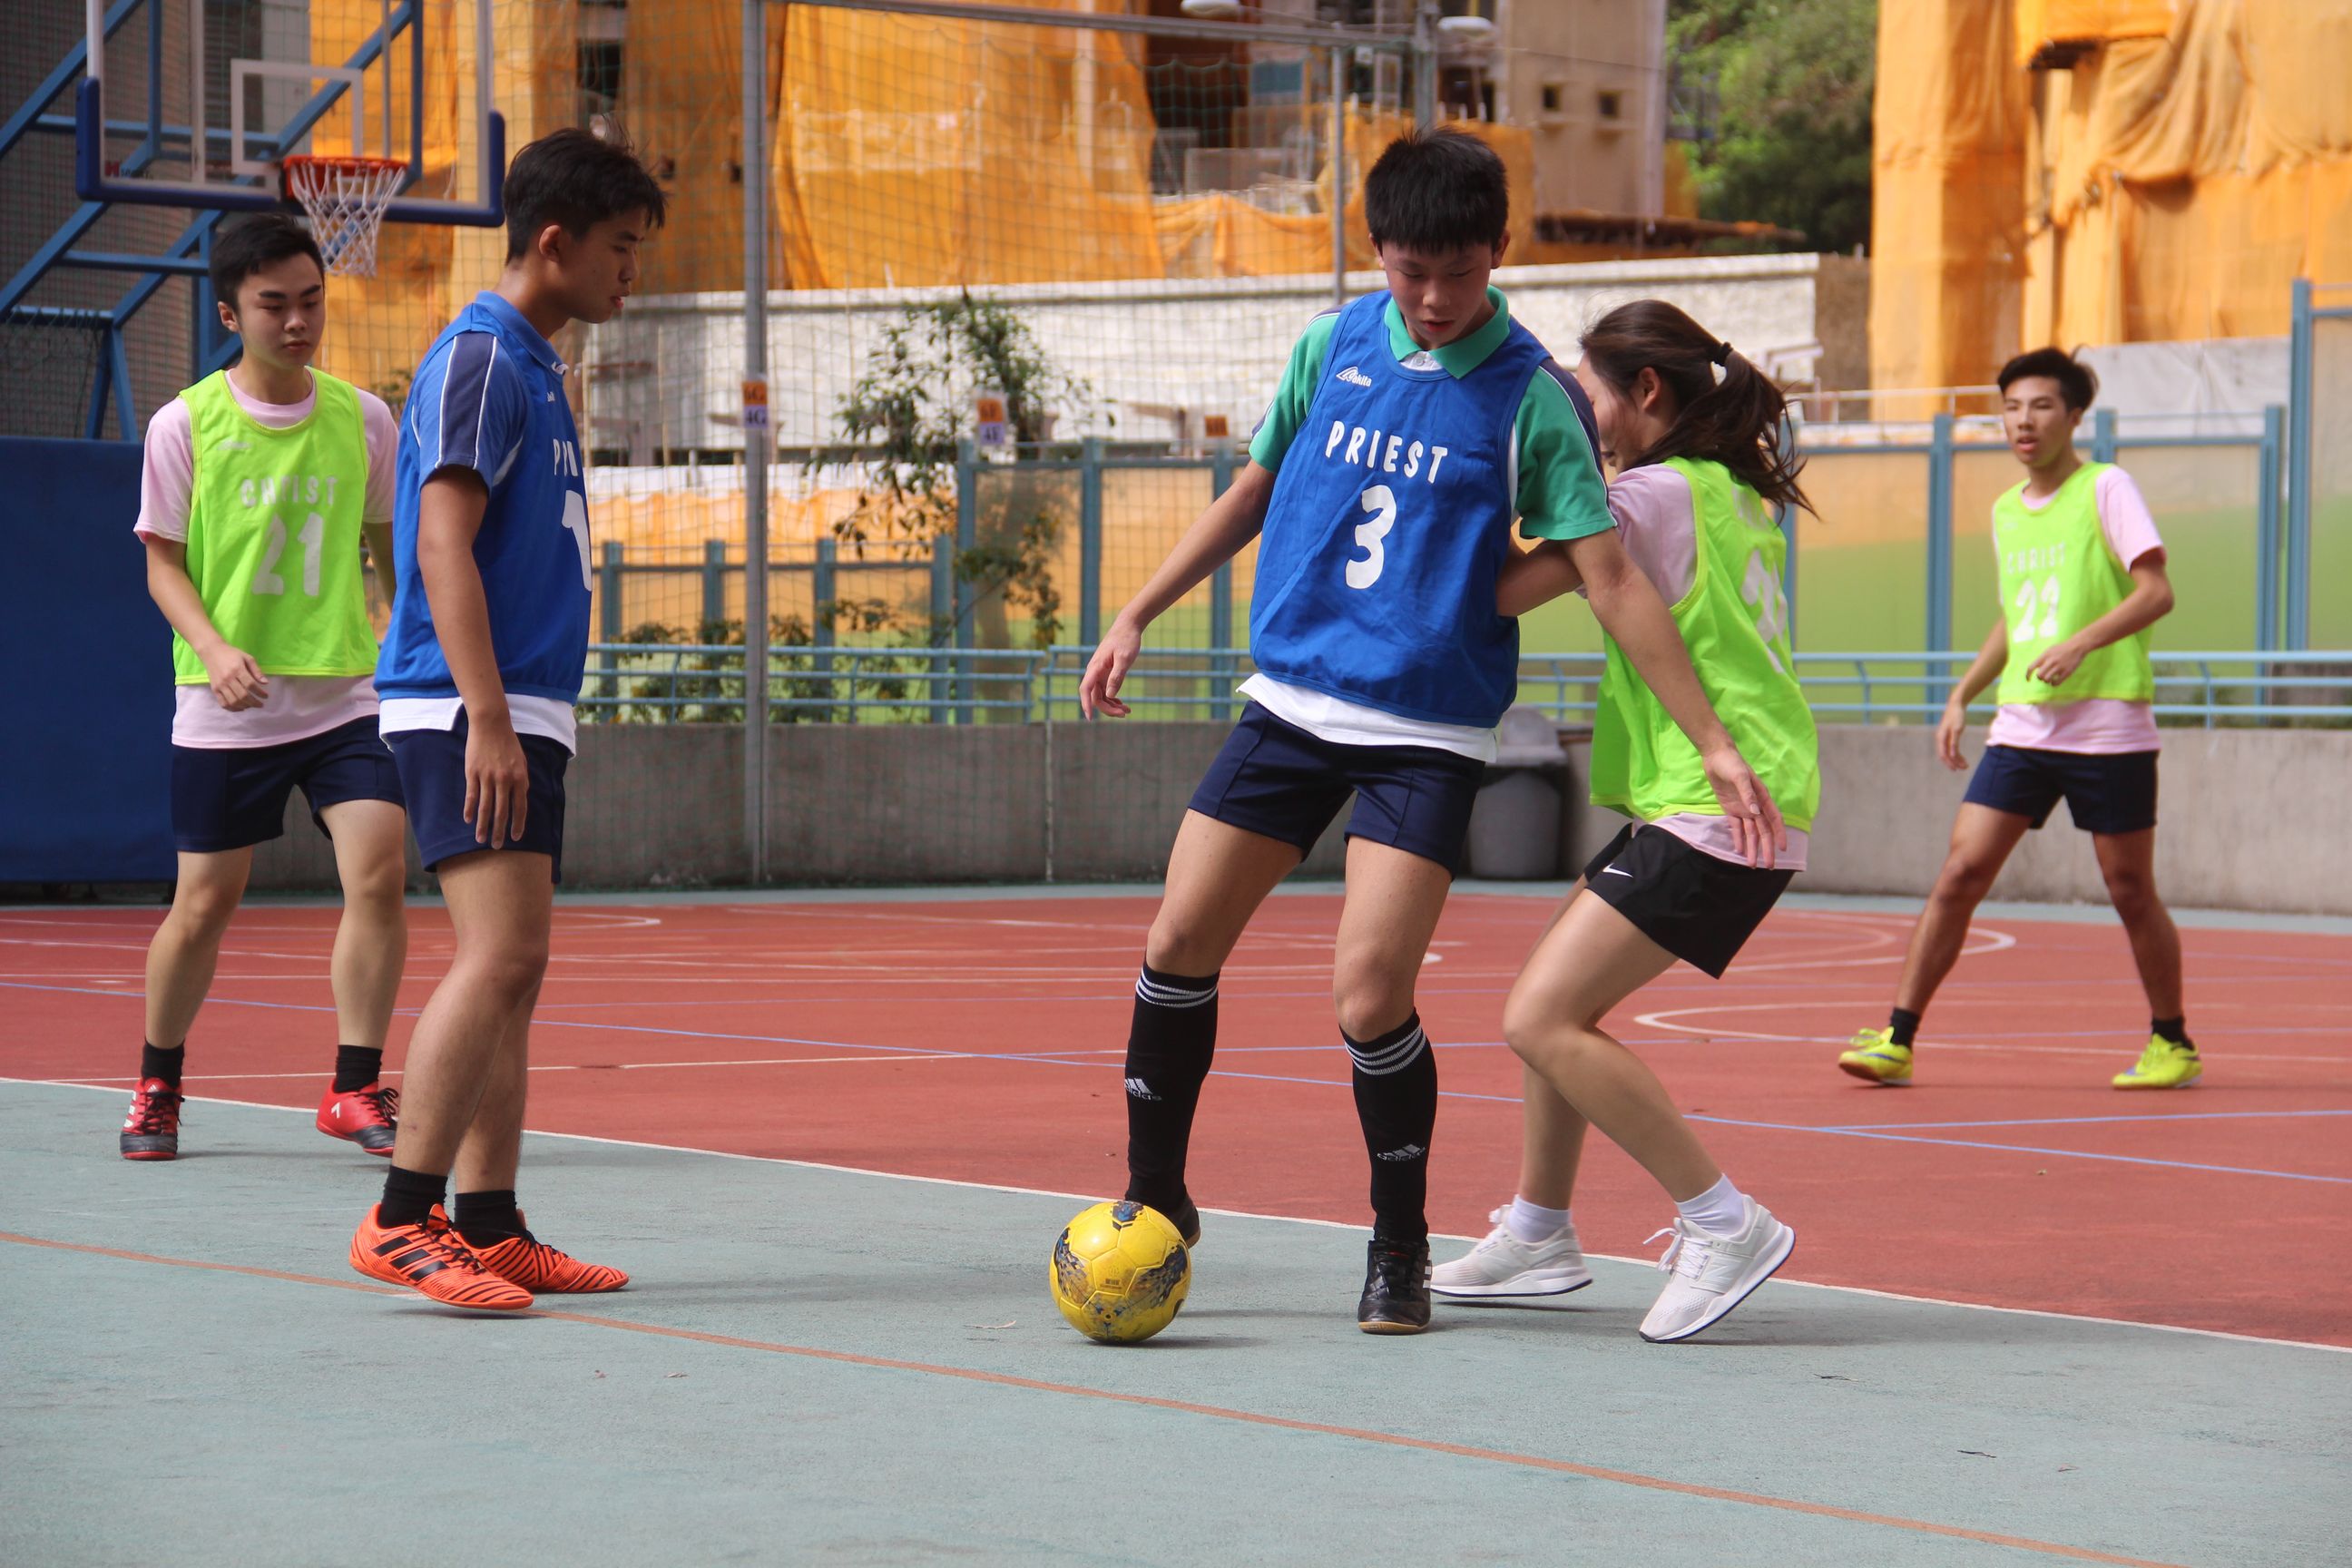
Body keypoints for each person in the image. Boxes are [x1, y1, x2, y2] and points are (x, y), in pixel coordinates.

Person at [1078, 131, 1779, 1335]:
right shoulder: (1333, 343)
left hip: (1428, 732)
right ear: (1378, 251)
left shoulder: (1535, 398)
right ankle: (1155, 1197)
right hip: (1293, 702)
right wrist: (1137, 611)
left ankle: (1398, 1245)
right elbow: (1253, 489)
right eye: (1412, 271)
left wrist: (1712, 740)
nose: (1436, 297)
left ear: (1498, 252)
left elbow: (1610, 579)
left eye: (1459, 272)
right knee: (1178, 938)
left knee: (1368, 995)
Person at [1431, 300, 1816, 1343]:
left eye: (1591, 393)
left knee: (1539, 1019)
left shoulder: (1646, 496)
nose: (1584, 415)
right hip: (1716, 795)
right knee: (1551, 1006)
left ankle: (1724, 1222)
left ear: (1644, 390)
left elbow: (1499, 593)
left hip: (1715, 805)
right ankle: (1540, 1231)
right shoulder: (1727, 491)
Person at [347, 129, 663, 1310]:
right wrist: (484, 713)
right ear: (555, 241)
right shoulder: (481, 357)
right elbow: (441, 540)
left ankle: (488, 1220)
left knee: (516, 972)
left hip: (518, 703)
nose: (631, 271)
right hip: (463, 704)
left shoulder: (536, 366)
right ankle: (400, 1217)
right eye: (620, 247)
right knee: (501, 957)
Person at [121, 214, 407, 1162]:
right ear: (230, 313)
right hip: (226, 703)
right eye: (274, 305)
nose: (297, 322)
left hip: (343, 698)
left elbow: (392, 555)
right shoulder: (185, 424)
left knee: (379, 872)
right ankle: (158, 1084)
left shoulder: (364, 419)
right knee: (204, 904)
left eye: (311, 301)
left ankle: (353, 1086)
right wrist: (212, 647)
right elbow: (163, 565)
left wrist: (411, 650)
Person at [1839, 348, 2194, 1091]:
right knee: (1961, 871)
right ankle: (1897, 1037)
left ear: (2073, 416)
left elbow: (2155, 591)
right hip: (2024, 726)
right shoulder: (2006, 511)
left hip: (2106, 724)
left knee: (2130, 887)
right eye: (2010, 407)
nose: (2023, 421)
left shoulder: (2106, 487)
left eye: (2040, 406)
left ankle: (2173, 1040)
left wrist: (2083, 642)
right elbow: (2017, 617)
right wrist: (1963, 693)